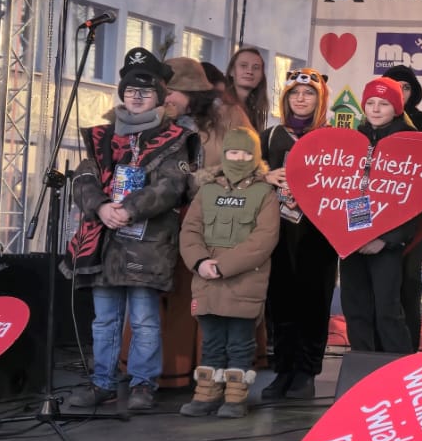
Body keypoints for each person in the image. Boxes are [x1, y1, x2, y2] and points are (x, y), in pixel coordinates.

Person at [64, 47, 198, 411]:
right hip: (104, 244)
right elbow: (85, 177)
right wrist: (100, 207)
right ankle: (102, 382)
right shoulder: (101, 137)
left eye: (146, 91)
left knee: (144, 320)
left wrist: (128, 209)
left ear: (159, 96)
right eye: (131, 90)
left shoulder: (176, 138)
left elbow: (170, 186)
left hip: (148, 244)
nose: (137, 97)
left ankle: (143, 384)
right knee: (104, 321)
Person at [178, 126, 279, 418]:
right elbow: (190, 230)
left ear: (255, 157)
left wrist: (224, 266)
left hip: (244, 281)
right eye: (233, 152)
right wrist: (200, 262)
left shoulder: (265, 193)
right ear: (224, 155)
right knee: (210, 342)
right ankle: (207, 394)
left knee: (240, 343)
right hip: (206, 280)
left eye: (246, 153)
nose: (239, 158)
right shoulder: (207, 190)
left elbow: (264, 239)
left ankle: (235, 398)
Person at [259, 68, 340, 401]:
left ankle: (306, 372)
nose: (301, 98)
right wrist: (264, 176)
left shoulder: (334, 136)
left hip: (319, 233)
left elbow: (348, 181)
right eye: (294, 93)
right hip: (277, 230)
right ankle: (283, 371)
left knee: (314, 302)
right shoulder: (269, 136)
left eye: (309, 93)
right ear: (285, 98)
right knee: (280, 303)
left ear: (320, 99)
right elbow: (245, 172)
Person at [337, 77, 422, 354]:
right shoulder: (353, 139)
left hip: (386, 244)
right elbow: (336, 189)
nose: (375, 109)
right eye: (371, 103)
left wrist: (386, 239)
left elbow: (413, 198)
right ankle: (363, 365)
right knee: (355, 308)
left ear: (397, 107)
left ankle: (400, 369)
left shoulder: (408, 142)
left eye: (384, 104)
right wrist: (345, 236)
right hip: (351, 240)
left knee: (388, 310)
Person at [382, 63, 422, 351]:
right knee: (383, 281)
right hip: (381, 215)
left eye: (405, 87)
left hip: (416, 215)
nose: (400, 92)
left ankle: (409, 348)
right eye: (394, 86)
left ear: (413, 91)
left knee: (410, 277)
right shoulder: (374, 118)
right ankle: (380, 347)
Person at [165, 56, 253, 171]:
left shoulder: (229, 115)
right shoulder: (161, 119)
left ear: (190, 92)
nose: (164, 99)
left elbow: (250, 160)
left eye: (169, 93)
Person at [229, 46, 271, 132]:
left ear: (261, 76)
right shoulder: (220, 105)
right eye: (243, 66)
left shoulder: (255, 111)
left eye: (256, 67)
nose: (249, 71)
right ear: (232, 71)